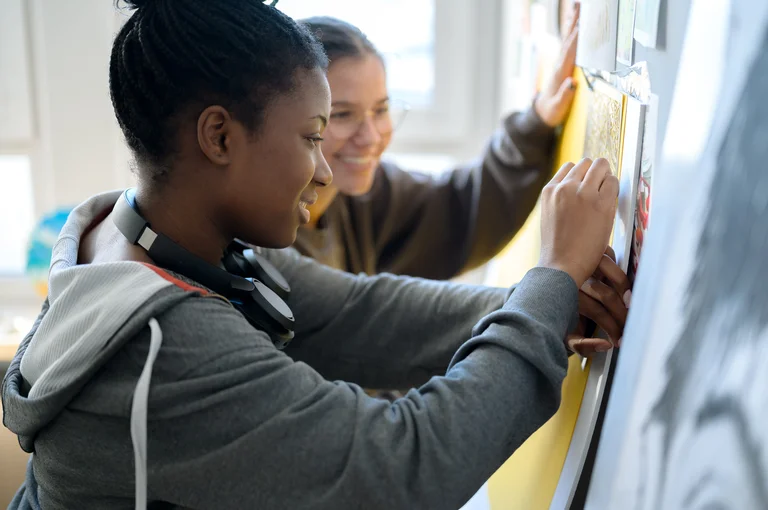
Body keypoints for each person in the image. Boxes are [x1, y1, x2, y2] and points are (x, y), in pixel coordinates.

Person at [1, 1, 624, 509]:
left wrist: (554, 302)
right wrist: (552, 276)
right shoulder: (165, 346)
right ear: (218, 136)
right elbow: (405, 466)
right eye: (311, 138)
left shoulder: (135, 235)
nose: (325, 170)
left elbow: (364, 312)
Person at [294, 13, 581, 279]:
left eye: (381, 110)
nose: (370, 137)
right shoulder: (267, 248)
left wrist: (538, 121)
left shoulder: (367, 195)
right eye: (342, 114)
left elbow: (462, 208)